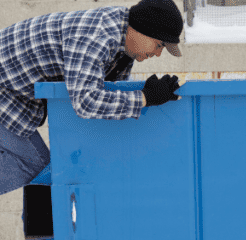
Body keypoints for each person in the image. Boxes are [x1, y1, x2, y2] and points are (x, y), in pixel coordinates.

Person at [0, 0, 183, 196]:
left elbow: (106, 98)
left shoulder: (122, 48)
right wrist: (145, 98)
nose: (158, 53)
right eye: (159, 45)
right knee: (35, 166)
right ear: (142, 29)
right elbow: (86, 102)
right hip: (6, 91)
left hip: (15, 96)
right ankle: (42, 224)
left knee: (42, 169)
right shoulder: (97, 34)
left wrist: (144, 98)